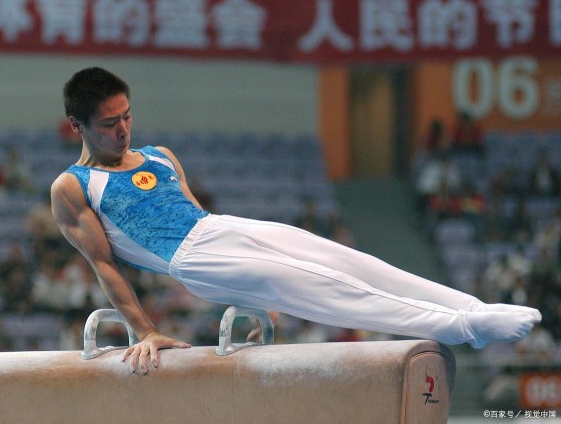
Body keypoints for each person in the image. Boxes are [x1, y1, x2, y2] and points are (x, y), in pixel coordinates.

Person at [51, 67, 542, 375]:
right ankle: (463, 327)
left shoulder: (159, 156)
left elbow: (200, 217)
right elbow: (105, 265)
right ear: (77, 126)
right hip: (190, 261)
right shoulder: (74, 187)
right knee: (327, 285)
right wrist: (145, 331)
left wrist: (260, 299)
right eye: (109, 124)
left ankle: (474, 308)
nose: (123, 129)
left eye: (127, 116)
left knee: (350, 261)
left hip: (220, 229)